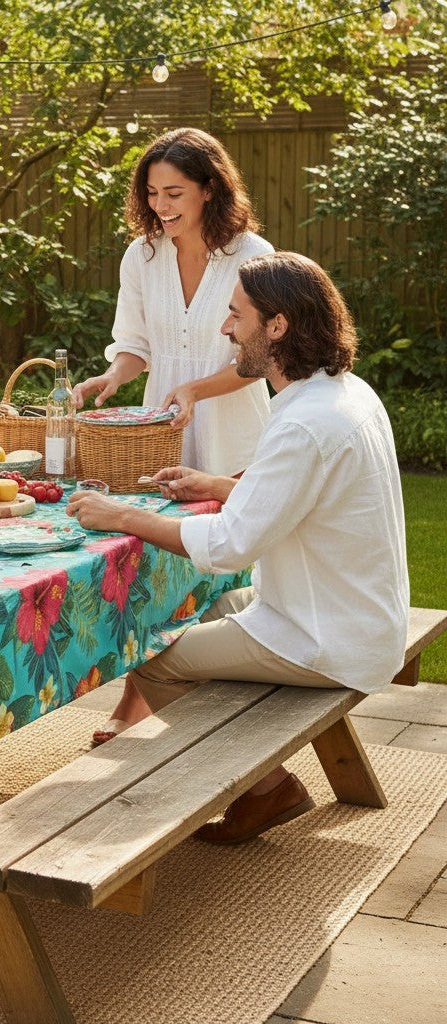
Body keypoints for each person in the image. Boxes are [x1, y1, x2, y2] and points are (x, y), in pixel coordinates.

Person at [67, 251, 408, 843]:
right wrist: (223, 485)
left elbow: (227, 547)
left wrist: (119, 515)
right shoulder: (341, 394)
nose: (226, 328)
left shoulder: (304, 421)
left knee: (146, 654)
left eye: (235, 314)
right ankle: (259, 775)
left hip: (324, 639)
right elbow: (307, 498)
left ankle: (267, 787)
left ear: (276, 326)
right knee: (183, 611)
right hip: (351, 617)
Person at [72, 127, 274, 745]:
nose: (161, 206)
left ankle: (206, 699)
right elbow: (134, 345)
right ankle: (143, 694)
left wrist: (193, 390)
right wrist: (111, 378)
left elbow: (256, 358)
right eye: (153, 192)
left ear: (210, 189)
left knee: (226, 562)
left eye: (175, 192)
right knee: (157, 556)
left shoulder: (252, 254)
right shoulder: (144, 255)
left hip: (232, 426)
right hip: (163, 432)